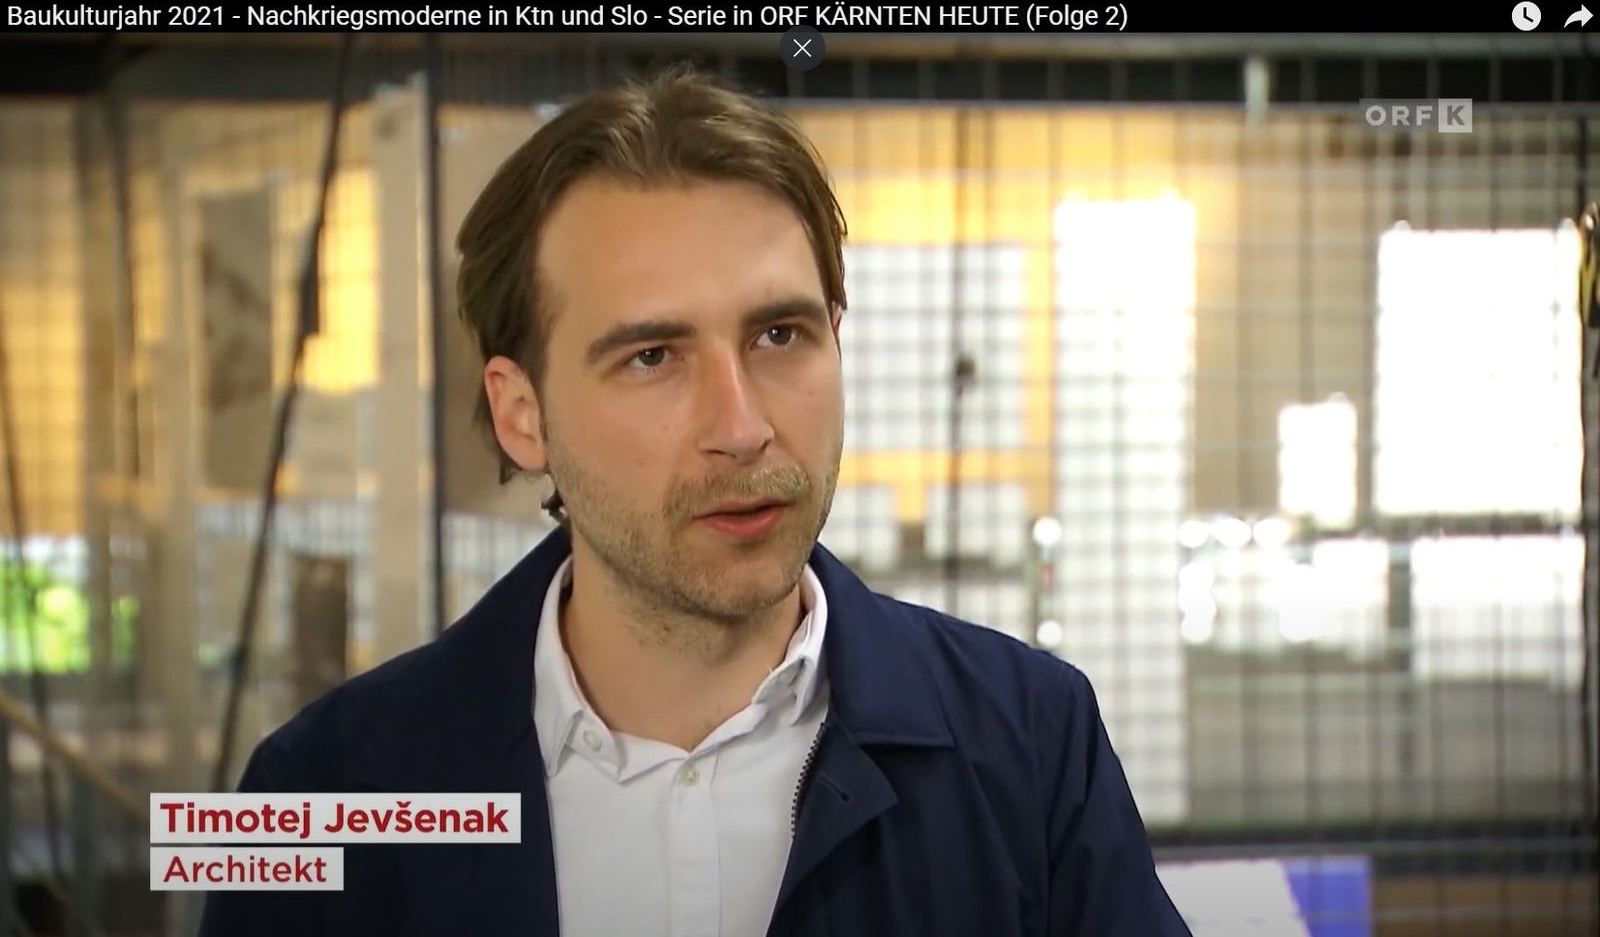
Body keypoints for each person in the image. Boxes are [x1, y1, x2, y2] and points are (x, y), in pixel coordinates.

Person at [198, 64, 1192, 937]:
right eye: (652, 356)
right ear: (521, 415)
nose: (742, 425)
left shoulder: (1030, 741)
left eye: (779, 336)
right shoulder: (316, 791)